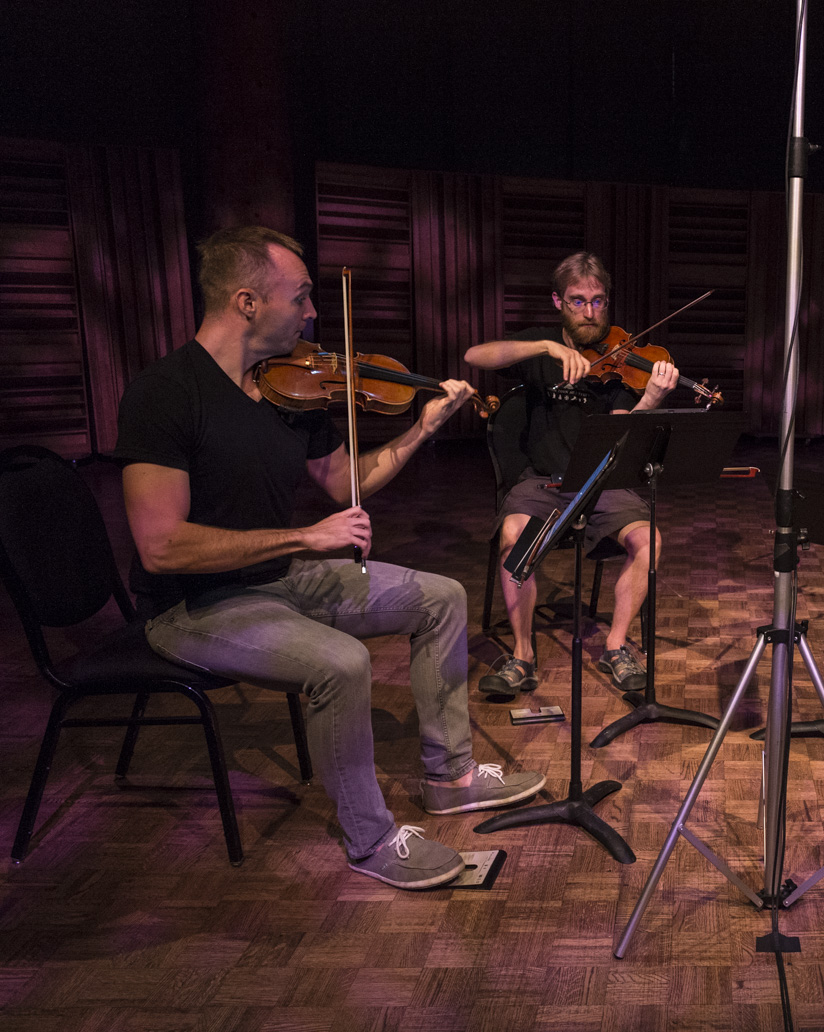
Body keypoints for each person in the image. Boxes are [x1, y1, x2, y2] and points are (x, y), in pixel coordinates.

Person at [116, 226, 544, 892]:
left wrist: (422, 428)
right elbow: (161, 544)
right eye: (302, 296)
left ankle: (451, 778)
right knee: (342, 663)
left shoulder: (292, 391)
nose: (314, 312)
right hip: (193, 605)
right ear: (248, 301)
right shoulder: (166, 393)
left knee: (443, 596)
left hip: (280, 578)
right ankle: (370, 841)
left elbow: (348, 483)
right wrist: (302, 538)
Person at [464, 252, 679, 696]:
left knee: (649, 542)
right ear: (558, 302)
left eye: (599, 301)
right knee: (513, 538)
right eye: (578, 301)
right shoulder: (540, 344)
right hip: (542, 480)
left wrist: (652, 400)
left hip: (601, 480)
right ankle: (522, 656)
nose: (590, 312)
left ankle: (617, 646)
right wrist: (546, 347)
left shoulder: (620, 356)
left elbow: (625, 435)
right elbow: (474, 355)